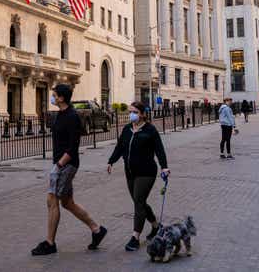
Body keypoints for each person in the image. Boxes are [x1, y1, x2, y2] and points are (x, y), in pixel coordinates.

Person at [32, 84, 107, 256]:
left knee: (52, 200)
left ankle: (50, 243)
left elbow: (73, 148)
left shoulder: (72, 116)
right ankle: (97, 229)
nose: (52, 97)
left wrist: (58, 166)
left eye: (54, 95)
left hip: (66, 165)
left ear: (61, 98)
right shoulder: (60, 115)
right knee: (67, 203)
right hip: (61, 164)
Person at [107, 103, 170, 251]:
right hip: (130, 172)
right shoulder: (127, 129)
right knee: (139, 201)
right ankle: (156, 226)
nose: (131, 115)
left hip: (146, 172)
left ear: (142, 114)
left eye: (134, 112)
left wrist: (164, 167)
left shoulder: (150, 130)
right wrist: (111, 161)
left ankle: (135, 237)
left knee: (138, 202)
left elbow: (159, 150)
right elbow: (120, 147)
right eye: (130, 112)